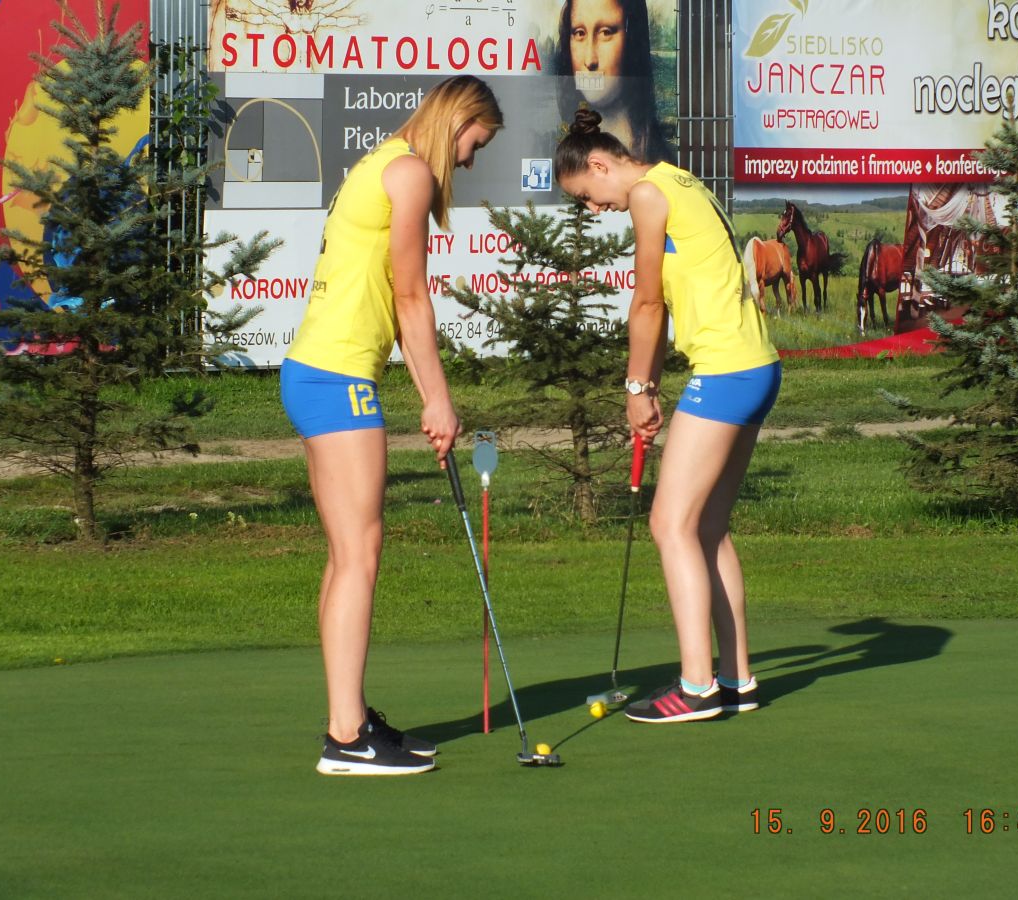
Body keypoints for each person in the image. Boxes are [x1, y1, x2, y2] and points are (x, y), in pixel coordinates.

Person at [280, 75, 503, 774]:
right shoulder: (408, 174)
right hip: (338, 377)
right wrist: (437, 400)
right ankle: (348, 738)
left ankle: (347, 718)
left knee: (347, 553)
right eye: (474, 143)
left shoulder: (383, 161)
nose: (469, 160)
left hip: (315, 371)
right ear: (457, 121)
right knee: (361, 553)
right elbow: (410, 298)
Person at [556, 109, 781, 723]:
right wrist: (650, 383)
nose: (594, 209)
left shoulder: (648, 195)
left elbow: (648, 303)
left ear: (600, 165)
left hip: (728, 373)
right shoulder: (679, 180)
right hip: (757, 366)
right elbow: (665, 304)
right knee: (707, 528)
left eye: (587, 196)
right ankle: (736, 679)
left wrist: (636, 388)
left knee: (668, 523)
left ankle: (697, 686)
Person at [554, 0, 676, 165]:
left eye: (606, 32)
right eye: (579, 33)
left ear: (631, 40)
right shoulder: (558, 147)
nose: (590, 60)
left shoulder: (659, 161)